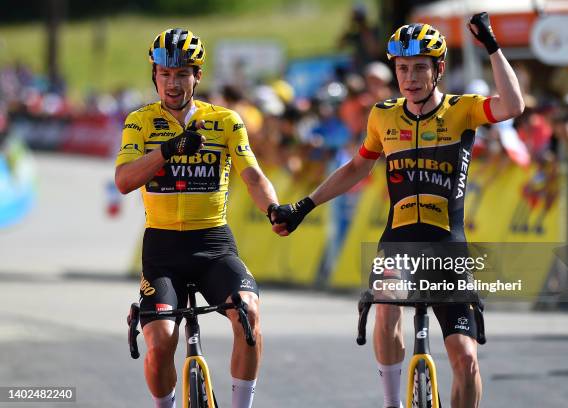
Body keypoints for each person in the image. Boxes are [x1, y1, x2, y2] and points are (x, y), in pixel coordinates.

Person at [269, 14, 524, 408]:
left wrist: (492, 47)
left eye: (420, 67)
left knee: (467, 360)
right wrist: (304, 206)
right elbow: (356, 167)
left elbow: (513, 105)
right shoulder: (382, 115)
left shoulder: (462, 110)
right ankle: (392, 403)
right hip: (399, 244)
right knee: (385, 307)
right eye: (402, 68)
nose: (410, 77)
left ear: (438, 69)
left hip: (447, 249)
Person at [115, 28, 280, 408]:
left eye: (182, 74)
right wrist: (168, 151)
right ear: (154, 75)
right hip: (163, 250)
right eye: (165, 74)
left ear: (197, 76)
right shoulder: (139, 122)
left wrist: (272, 207)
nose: (173, 83)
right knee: (160, 342)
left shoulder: (224, 120)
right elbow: (124, 180)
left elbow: (252, 174)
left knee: (249, 316)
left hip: (213, 245)